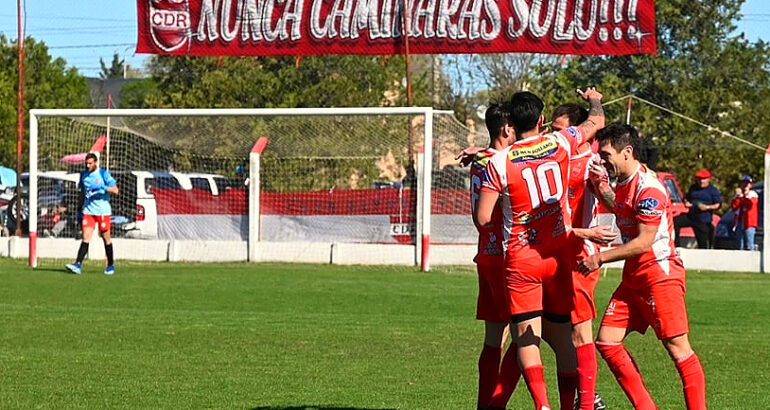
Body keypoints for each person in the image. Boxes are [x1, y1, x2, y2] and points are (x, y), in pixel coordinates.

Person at [476, 88, 611, 410]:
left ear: (510, 122)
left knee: (526, 335)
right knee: (564, 337)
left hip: (522, 257)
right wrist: (594, 97)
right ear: (541, 119)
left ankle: (542, 405)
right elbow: (596, 120)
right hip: (558, 254)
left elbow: (483, 218)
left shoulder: (499, 162)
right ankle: (570, 405)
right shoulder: (561, 141)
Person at [579, 123, 706, 410]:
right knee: (608, 342)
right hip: (635, 277)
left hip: (660, 276)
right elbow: (620, 206)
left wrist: (599, 257)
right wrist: (601, 188)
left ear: (627, 152)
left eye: (607, 154)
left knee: (678, 349)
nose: (602, 159)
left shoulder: (649, 189)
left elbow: (642, 242)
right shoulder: (623, 183)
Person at [551, 103, 606, 410]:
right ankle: (583, 396)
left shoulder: (591, 164)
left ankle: (586, 401)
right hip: (551, 257)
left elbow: (610, 198)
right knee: (535, 328)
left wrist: (604, 187)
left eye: (561, 131)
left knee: (578, 331)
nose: (556, 136)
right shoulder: (552, 156)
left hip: (579, 257)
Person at [467, 101, 520, 410]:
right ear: (506, 129)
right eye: (516, 126)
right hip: (504, 256)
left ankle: (484, 404)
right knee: (528, 333)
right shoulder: (502, 162)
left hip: (485, 255)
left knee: (494, 340)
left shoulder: (480, 160)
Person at [65, 153, 119, 275]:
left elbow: (115, 190)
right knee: (86, 237)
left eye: (90, 163)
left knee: (106, 238)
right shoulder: (83, 175)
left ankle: (110, 265)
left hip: (103, 211)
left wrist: (103, 188)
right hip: (88, 211)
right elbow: (82, 193)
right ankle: (77, 264)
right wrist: (79, 209)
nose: (88, 165)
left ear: (95, 163)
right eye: (86, 163)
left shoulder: (103, 174)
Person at [674, 169, 721, 249]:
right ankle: (677, 246)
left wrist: (707, 207)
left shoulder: (712, 190)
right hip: (691, 216)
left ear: (708, 179)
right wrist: (686, 202)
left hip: (703, 220)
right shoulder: (693, 188)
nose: (701, 181)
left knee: (702, 243)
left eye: (703, 179)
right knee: (675, 222)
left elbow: (718, 204)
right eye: (699, 179)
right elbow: (686, 198)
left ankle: (704, 255)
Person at [731, 174, 759, 250]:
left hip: (749, 222)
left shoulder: (753, 194)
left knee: (749, 244)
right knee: (740, 244)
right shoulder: (738, 196)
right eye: (743, 183)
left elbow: (750, 204)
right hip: (739, 221)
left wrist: (742, 196)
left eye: (747, 183)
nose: (745, 185)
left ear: (750, 185)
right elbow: (734, 207)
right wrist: (738, 196)